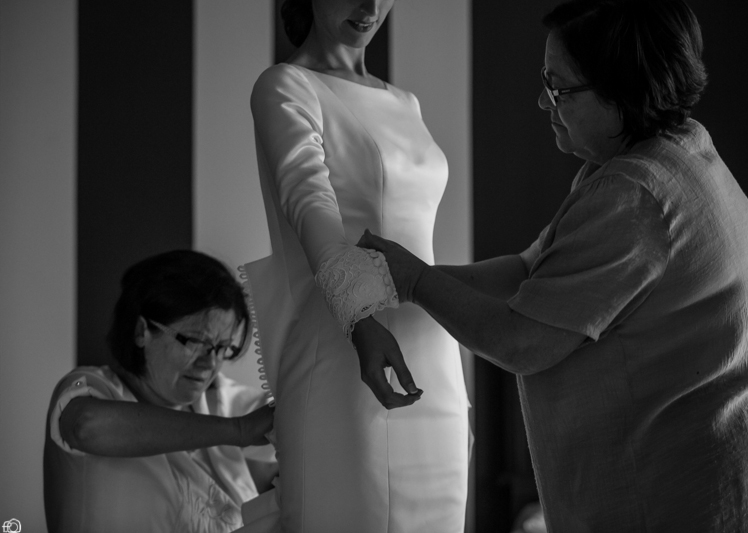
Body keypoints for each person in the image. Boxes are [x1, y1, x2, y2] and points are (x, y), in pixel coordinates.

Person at [358, 0, 748, 530]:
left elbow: (520, 342)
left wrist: (416, 280)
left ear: (623, 92)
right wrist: (400, 281)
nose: (542, 101)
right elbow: (529, 272)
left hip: (697, 495)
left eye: (559, 88)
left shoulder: (633, 196)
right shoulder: (670, 151)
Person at [240, 0, 470, 531]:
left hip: (434, 357)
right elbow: (308, 200)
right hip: (345, 352)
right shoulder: (285, 85)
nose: (370, 6)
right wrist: (360, 316)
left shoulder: (406, 102)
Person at [44, 250, 277, 533]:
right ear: (141, 331)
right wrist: (238, 431)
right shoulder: (91, 387)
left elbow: (301, 413)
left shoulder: (220, 400)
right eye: (195, 342)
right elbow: (86, 426)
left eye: (222, 347)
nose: (210, 363)